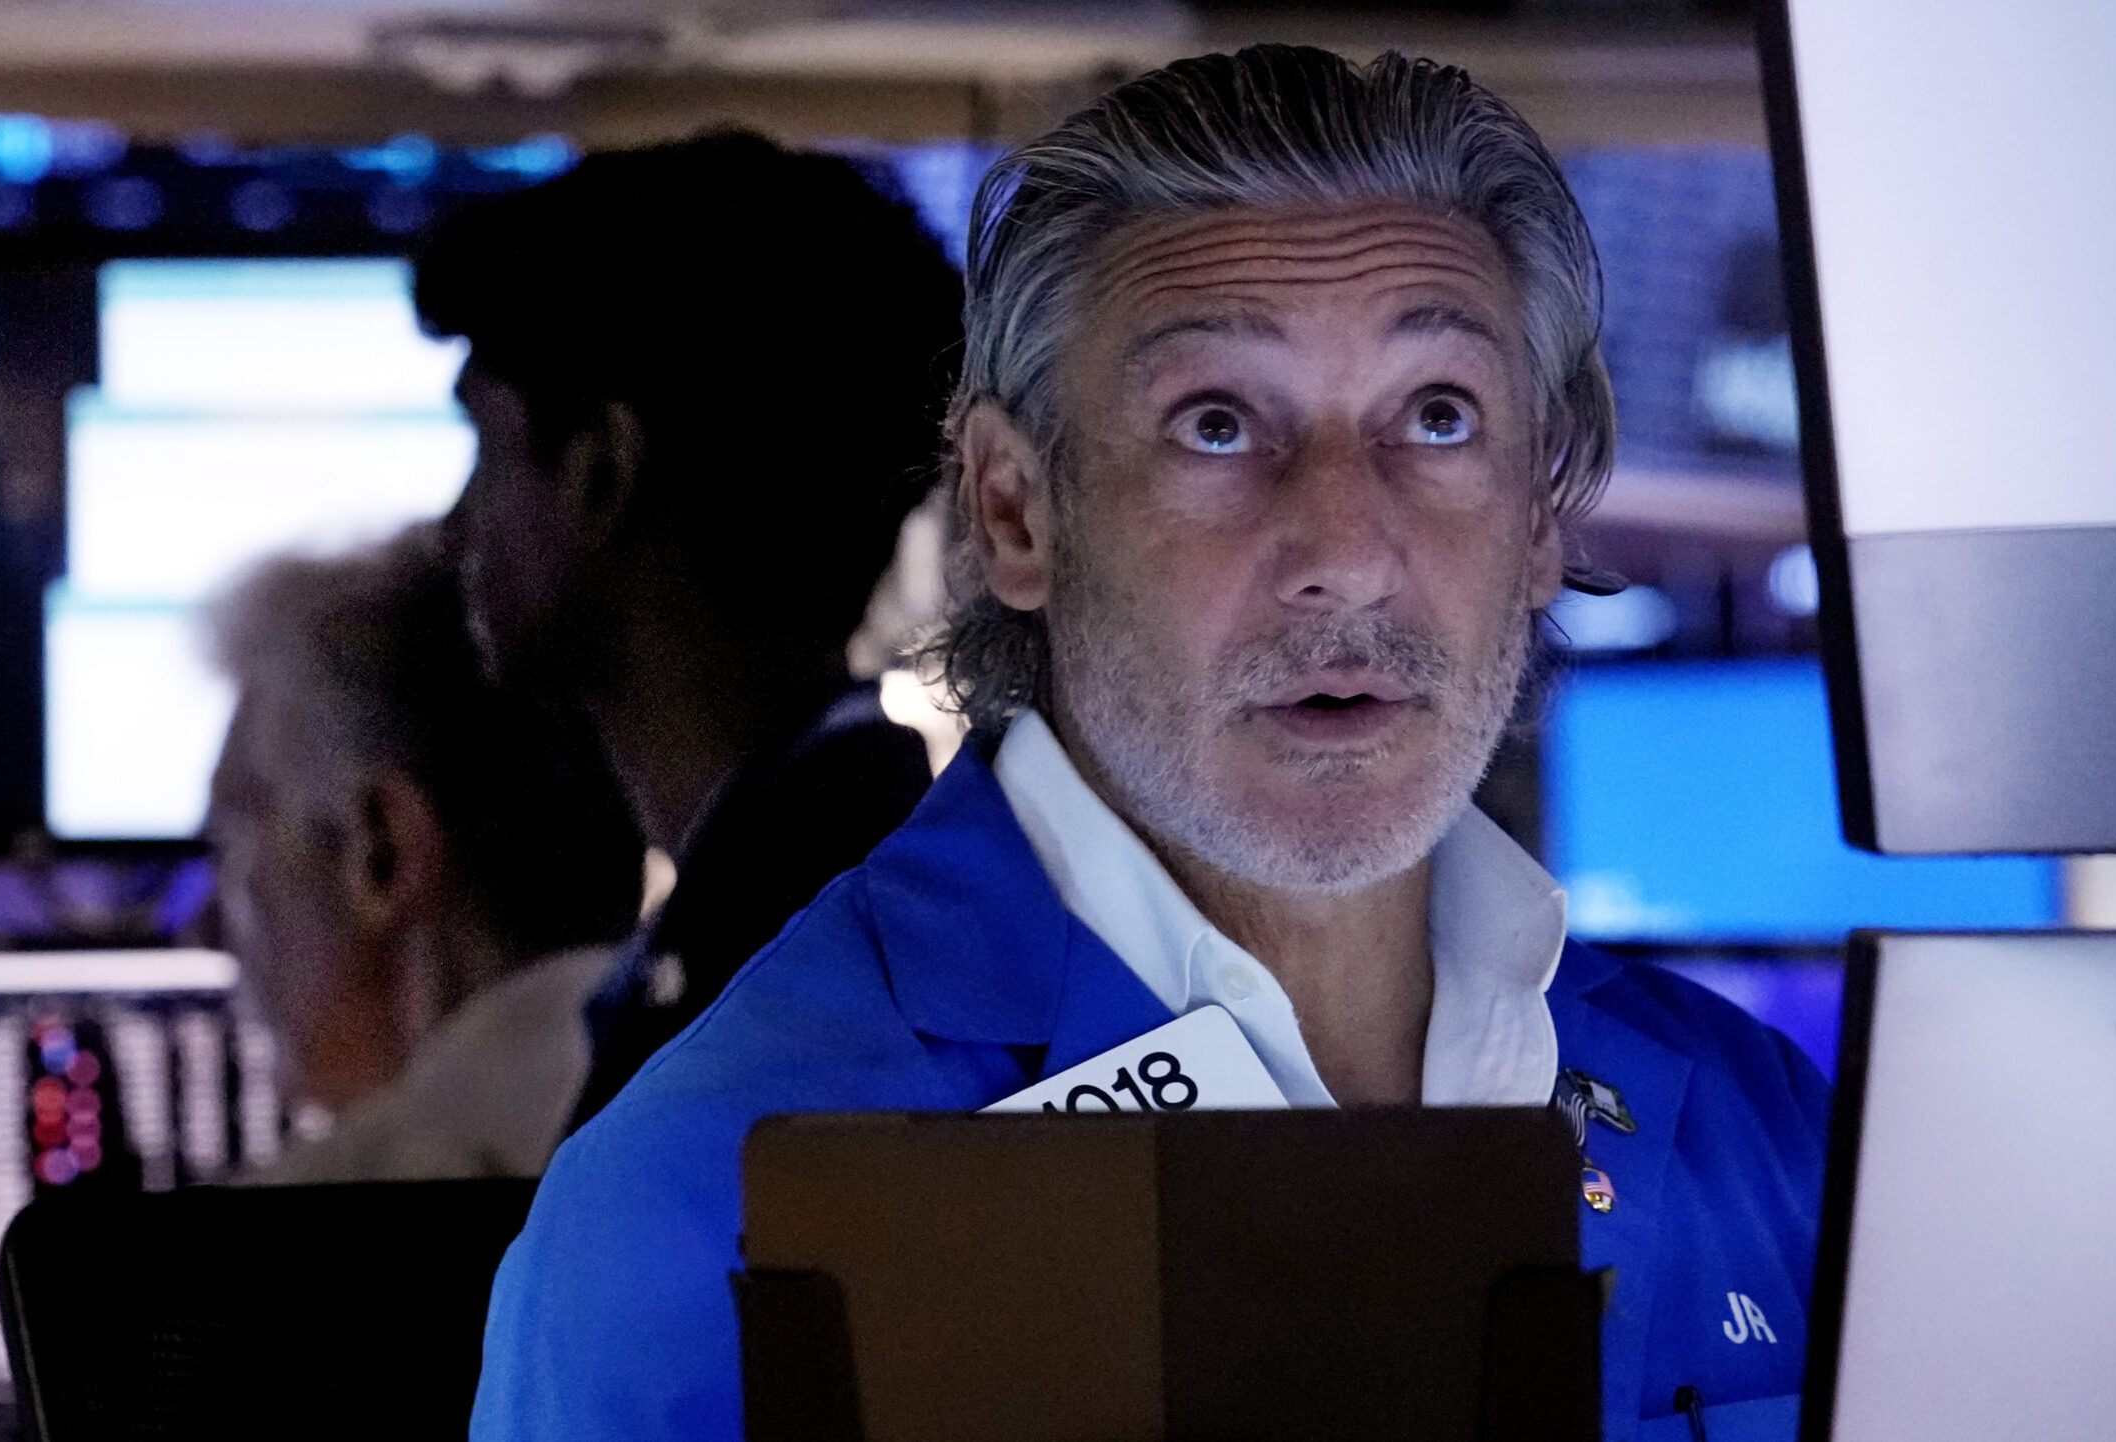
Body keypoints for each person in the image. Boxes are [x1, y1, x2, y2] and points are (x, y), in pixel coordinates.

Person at [472, 47, 1828, 1442]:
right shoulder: (700, 1207)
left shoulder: (1767, 1132)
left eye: (1437, 416)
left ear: (1543, 512)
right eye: (1220, 424)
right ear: (1014, 511)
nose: (1348, 554)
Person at [412, 131, 959, 1130]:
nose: (455, 529)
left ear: (601, 472)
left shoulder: (773, 961)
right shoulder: (858, 882)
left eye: (484, 452)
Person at [205, 524, 646, 1182]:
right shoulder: (768, 1150)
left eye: (234, 844)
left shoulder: (241, 1257)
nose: (201, 923)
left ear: (385, 850)